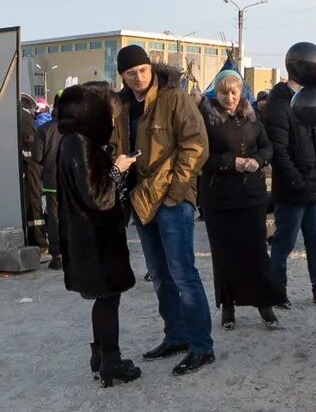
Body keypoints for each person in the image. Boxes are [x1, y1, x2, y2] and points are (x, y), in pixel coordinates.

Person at [115, 45, 216, 376]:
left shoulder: (174, 97)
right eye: (131, 73)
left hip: (172, 201)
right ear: (123, 76)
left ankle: (202, 346)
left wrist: (175, 193)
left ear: (151, 67)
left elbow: (196, 144)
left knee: (183, 273)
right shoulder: (121, 106)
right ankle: (176, 335)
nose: (139, 78)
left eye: (143, 70)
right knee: (159, 275)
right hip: (141, 199)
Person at [56, 82, 142, 387]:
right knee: (108, 299)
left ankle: (100, 358)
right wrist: (119, 169)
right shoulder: (81, 144)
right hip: (96, 239)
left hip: (87, 237)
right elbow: (99, 197)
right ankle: (111, 361)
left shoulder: (71, 140)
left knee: (104, 299)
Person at [199, 70, 282, 331]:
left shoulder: (252, 115)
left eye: (234, 91)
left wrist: (258, 160)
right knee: (225, 254)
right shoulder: (206, 118)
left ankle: (263, 303)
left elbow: (267, 147)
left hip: (252, 195)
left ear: (241, 91)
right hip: (219, 198)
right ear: (217, 93)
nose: (229, 97)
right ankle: (228, 305)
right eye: (224, 92)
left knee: (256, 252)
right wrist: (230, 162)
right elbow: (201, 156)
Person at [264, 74, 316, 309]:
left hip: (313, 186)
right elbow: (279, 151)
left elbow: (314, 143)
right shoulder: (280, 104)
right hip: (293, 189)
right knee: (284, 242)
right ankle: (276, 289)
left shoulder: (310, 101)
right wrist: (297, 181)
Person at [36, 94, 64, 270]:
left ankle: (57, 256)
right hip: (73, 182)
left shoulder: (44, 129)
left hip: (52, 180)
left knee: (54, 217)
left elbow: (38, 157)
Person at [20, 95, 47, 250]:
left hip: (26, 166)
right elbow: (32, 146)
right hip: (31, 167)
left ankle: (33, 238)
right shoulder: (25, 117)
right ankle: (39, 241)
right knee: (34, 201)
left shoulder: (17, 114)